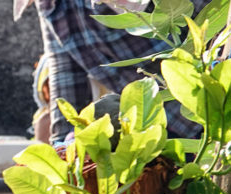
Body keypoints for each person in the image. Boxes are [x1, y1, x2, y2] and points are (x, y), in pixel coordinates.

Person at [16, 0, 208, 144]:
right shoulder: (50, 5)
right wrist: (62, 149)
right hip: (154, 124)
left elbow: (212, 15)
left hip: (208, 107)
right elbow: (64, 70)